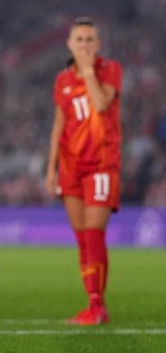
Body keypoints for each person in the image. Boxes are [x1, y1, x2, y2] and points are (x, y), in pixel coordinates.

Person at [45, 17, 122, 326]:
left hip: (101, 165)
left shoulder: (110, 70)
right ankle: (92, 305)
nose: (85, 45)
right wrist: (50, 168)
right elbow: (58, 125)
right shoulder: (62, 79)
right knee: (82, 238)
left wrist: (88, 70)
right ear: (69, 44)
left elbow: (102, 104)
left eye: (90, 40)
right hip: (70, 167)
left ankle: (98, 307)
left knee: (94, 235)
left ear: (98, 44)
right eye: (79, 40)